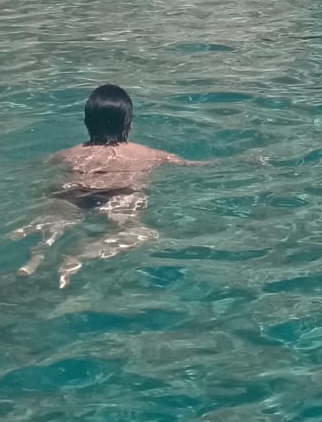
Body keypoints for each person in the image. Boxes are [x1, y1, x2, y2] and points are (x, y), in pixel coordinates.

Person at [13, 84, 198, 288]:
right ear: (130, 125)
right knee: (137, 232)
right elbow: (192, 165)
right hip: (120, 194)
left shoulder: (66, 154)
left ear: (86, 123)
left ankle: (37, 257)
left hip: (74, 192)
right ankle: (79, 255)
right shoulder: (149, 154)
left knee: (54, 221)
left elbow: (31, 166)